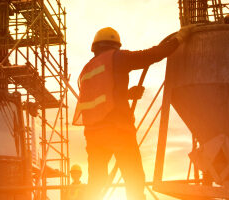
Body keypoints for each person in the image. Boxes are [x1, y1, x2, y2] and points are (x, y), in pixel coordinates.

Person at [73, 27, 191, 200]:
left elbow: (98, 96)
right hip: (118, 130)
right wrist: (179, 39)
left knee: (96, 182)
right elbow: (151, 55)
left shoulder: (86, 70)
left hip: (94, 135)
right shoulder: (117, 57)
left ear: (95, 47)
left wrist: (126, 94)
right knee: (134, 178)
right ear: (115, 46)